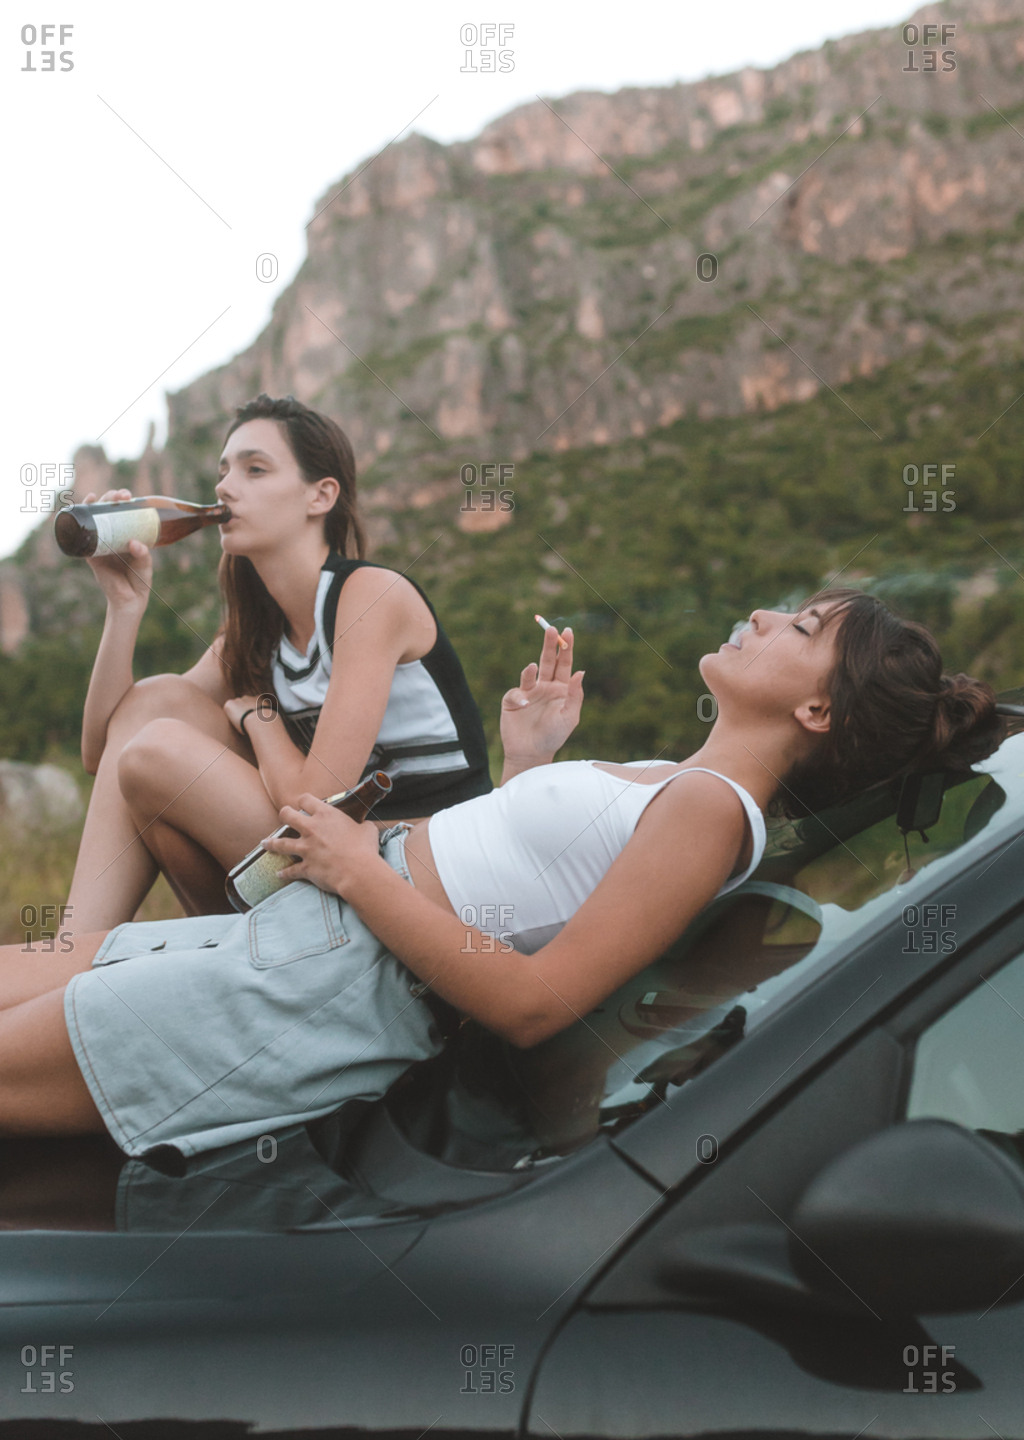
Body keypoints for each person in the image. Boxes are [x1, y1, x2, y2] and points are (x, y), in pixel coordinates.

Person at [0, 588, 1003, 1155]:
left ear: (819, 713)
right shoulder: (677, 782)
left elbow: (534, 1002)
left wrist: (358, 868)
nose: (766, 614)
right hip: (303, 931)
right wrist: (527, 765)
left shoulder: (710, 815)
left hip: (319, 982)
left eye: (802, 627)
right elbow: (516, 892)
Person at [65, 394, 491, 934]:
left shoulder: (370, 597)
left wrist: (260, 722)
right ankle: (78, 943)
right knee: (155, 704)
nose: (223, 487)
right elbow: (103, 753)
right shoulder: (255, 635)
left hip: (426, 865)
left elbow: (316, 803)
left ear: (321, 495)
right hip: (329, 855)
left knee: (159, 753)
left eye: (255, 469)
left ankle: (193, 952)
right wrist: (123, 608)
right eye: (222, 471)